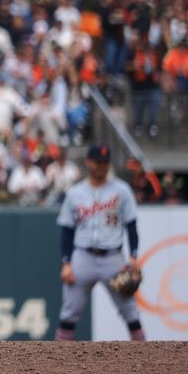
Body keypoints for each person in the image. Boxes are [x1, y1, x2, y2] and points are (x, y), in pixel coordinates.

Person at [55, 144, 145, 342]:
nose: (102, 166)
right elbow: (67, 230)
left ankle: (148, 363)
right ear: (88, 162)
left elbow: (131, 225)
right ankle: (56, 363)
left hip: (112, 258)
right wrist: (66, 263)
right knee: (69, 312)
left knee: (131, 312)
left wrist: (133, 257)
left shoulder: (121, 190)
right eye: (98, 162)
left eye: (105, 162)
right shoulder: (75, 193)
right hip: (82, 257)